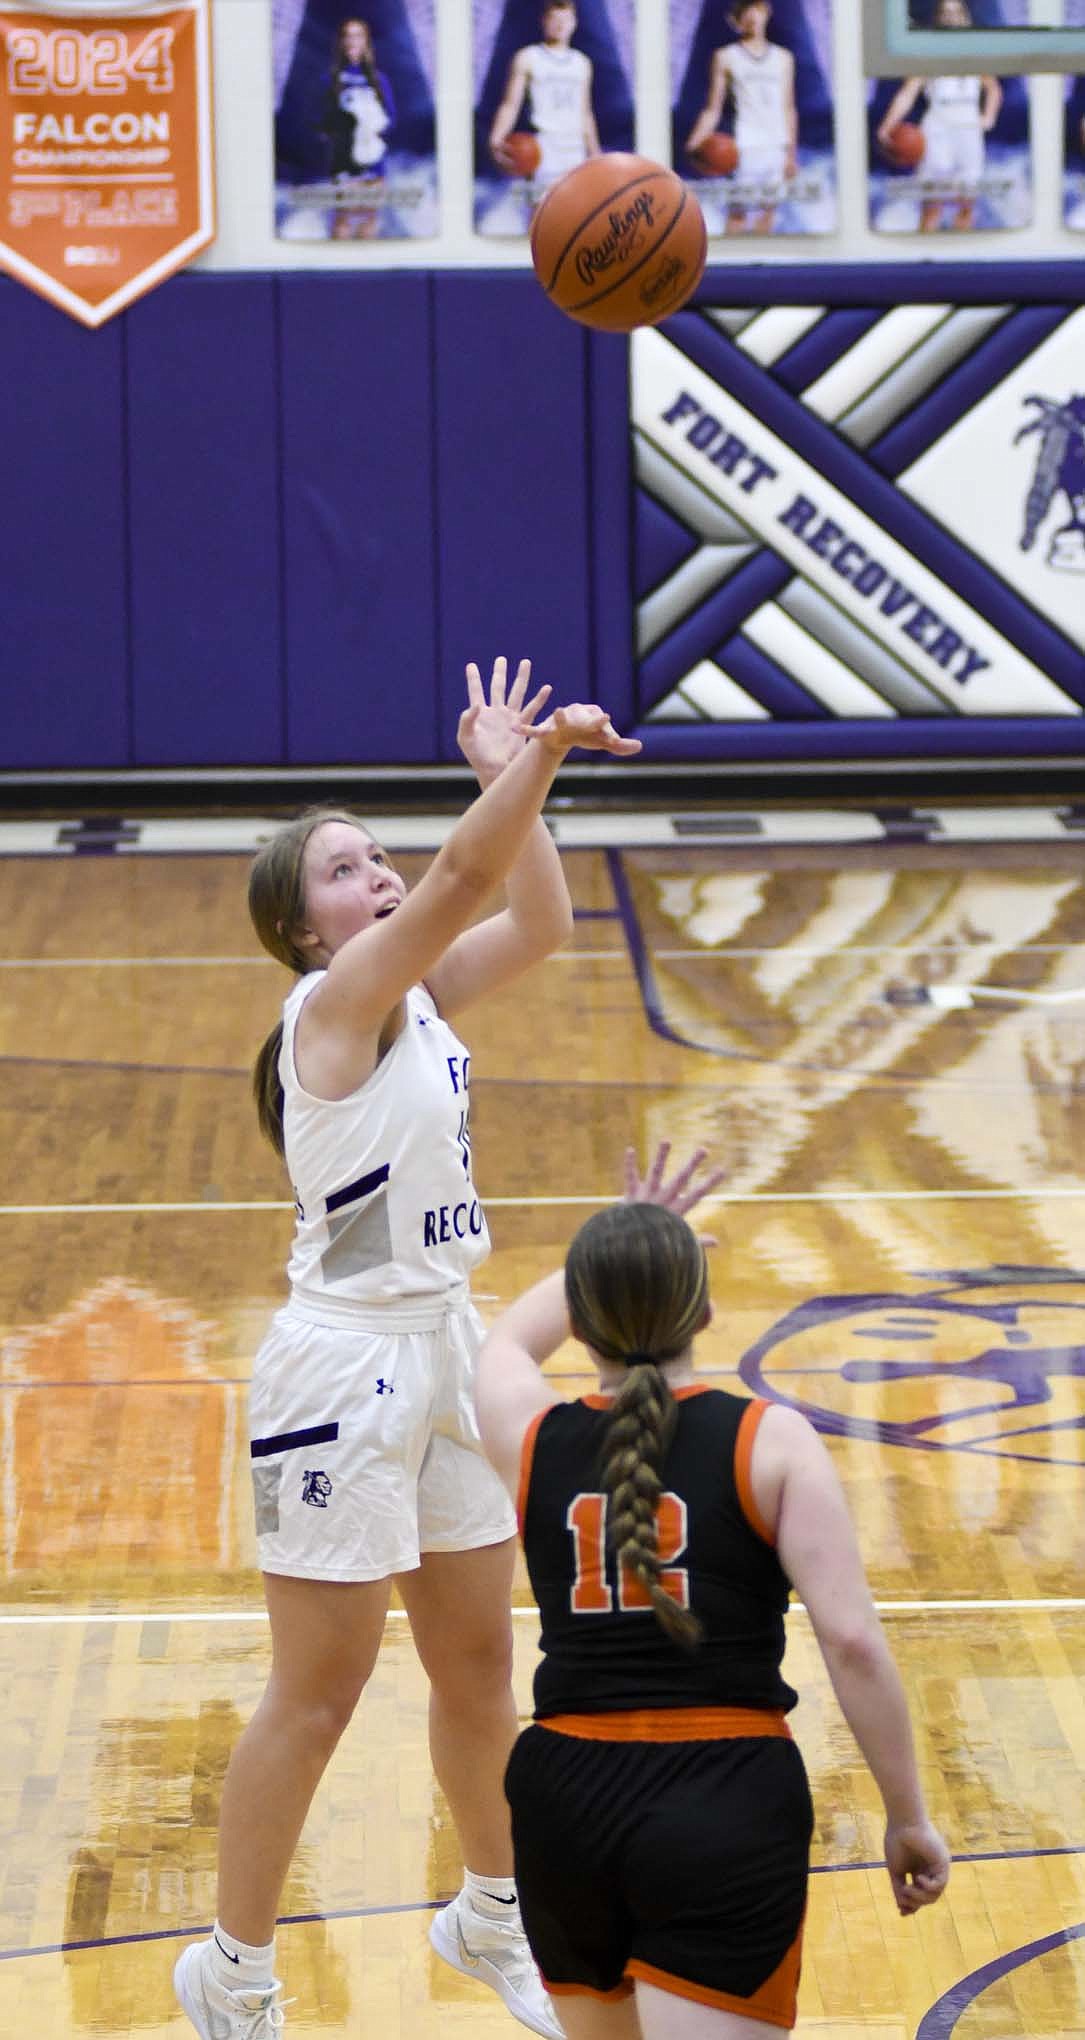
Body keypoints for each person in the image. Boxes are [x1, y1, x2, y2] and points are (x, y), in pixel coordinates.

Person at [173, 659, 641, 2040]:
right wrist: (528, 756)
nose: (376, 876)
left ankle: (489, 1918)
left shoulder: (420, 999)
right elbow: (459, 883)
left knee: (482, 1666)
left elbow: (536, 917)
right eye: (342, 870)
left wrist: (515, 775)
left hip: (441, 1347)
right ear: (304, 933)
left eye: (378, 855)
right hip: (339, 1374)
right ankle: (232, 1971)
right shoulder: (331, 1014)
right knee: (319, 1694)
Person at [474, 1143, 952, 2039]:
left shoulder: (530, 1436)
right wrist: (906, 1816)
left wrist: (620, 1244)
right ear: (706, 1309)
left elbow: (502, 1341)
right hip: (721, 1797)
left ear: (580, 1323)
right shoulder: (770, 1440)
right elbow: (850, 1641)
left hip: (562, 1798)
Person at [877, 0, 1001, 233]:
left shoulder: (977, 54)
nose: (952, 18)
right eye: (946, 13)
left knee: (967, 204)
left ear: (966, 19)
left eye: (956, 13)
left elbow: (993, 88)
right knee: (933, 205)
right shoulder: (927, 54)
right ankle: (925, 259)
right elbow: (908, 93)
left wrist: (988, 116)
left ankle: (962, 260)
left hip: (968, 125)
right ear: (938, 19)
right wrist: (888, 125)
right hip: (938, 126)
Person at [685, 2, 797, 237]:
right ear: (736, 20)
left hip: (776, 145)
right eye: (745, 12)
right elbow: (712, 108)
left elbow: (788, 107)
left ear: (766, 12)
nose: (752, 17)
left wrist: (791, 154)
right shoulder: (726, 56)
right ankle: (731, 267)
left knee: (769, 213)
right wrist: (696, 141)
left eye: (756, 9)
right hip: (745, 147)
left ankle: (765, 270)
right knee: (738, 214)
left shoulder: (783, 58)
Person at [489, 2, 600, 191]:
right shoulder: (527, 57)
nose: (560, 25)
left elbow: (585, 112)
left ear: (574, 23)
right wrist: (496, 137)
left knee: (577, 215)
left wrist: (595, 151)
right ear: (544, 21)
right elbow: (510, 104)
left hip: (575, 151)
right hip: (543, 149)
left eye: (565, 19)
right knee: (542, 213)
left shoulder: (582, 63)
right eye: (554, 19)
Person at [321, 17, 394, 240]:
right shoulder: (330, 79)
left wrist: (371, 130)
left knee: (370, 217)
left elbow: (391, 117)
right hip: (344, 162)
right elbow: (322, 121)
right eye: (348, 35)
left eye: (358, 35)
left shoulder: (379, 80)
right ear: (341, 41)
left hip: (374, 160)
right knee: (344, 216)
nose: (353, 41)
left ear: (366, 42)